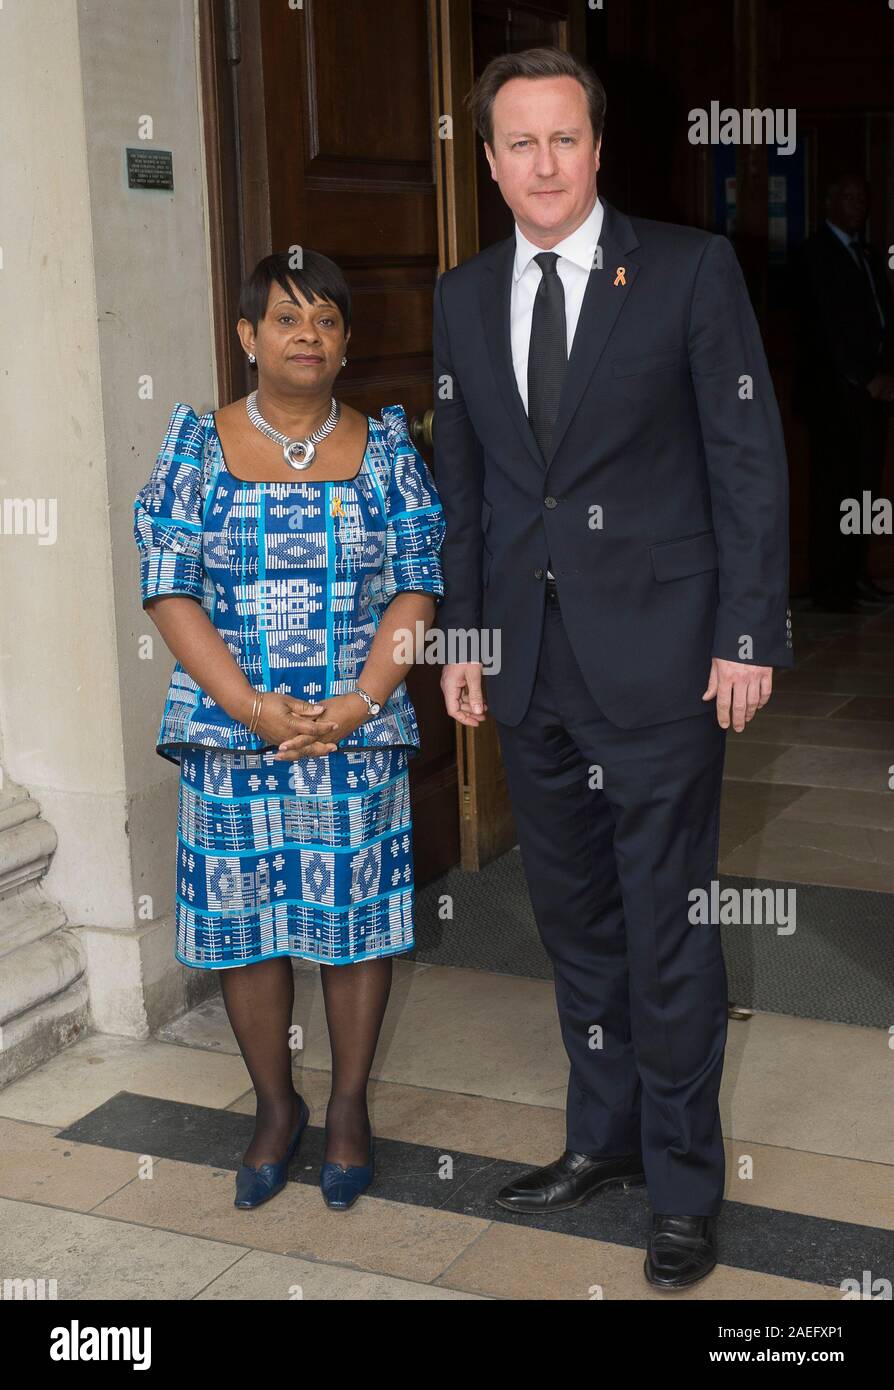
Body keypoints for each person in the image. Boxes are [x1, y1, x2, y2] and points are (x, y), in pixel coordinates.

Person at [432, 47, 792, 1289]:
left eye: (563, 139)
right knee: (577, 926)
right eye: (518, 143)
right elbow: (465, 486)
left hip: (662, 667)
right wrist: (466, 640)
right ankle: (605, 1142)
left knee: (671, 926)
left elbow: (747, 457)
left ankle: (685, 1185)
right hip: (528, 669)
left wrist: (747, 632)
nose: (543, 163)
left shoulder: (689, 271)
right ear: (488, 161)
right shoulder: (463, 294)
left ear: (599, 149)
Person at [133, 249, 445, 1212]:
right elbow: (167, 585)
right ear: (247, 337)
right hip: (234, 734)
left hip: (354, 728)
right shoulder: (194, 445)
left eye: (325, 320)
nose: (306, 335)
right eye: (284, 318)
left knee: (352, 931)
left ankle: (348, 1108)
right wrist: (252, 709)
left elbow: (416, 584)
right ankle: (277, 1109)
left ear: (347, 343)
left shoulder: (388, 448)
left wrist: (355, 704)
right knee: (246, 931)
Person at [793, 171, 894, 612]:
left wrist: (885, 373)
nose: (859, 205)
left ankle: (856, 575)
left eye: (863, 198)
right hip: (835, 397)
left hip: (874, 396)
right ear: (829, 202)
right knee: (834, 489)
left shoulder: (868, 254)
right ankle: (830, 585)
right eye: (850, 196)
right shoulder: (814, 255)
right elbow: (826, 329)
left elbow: (882, 318)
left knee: (865, 490)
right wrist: (863, 376)